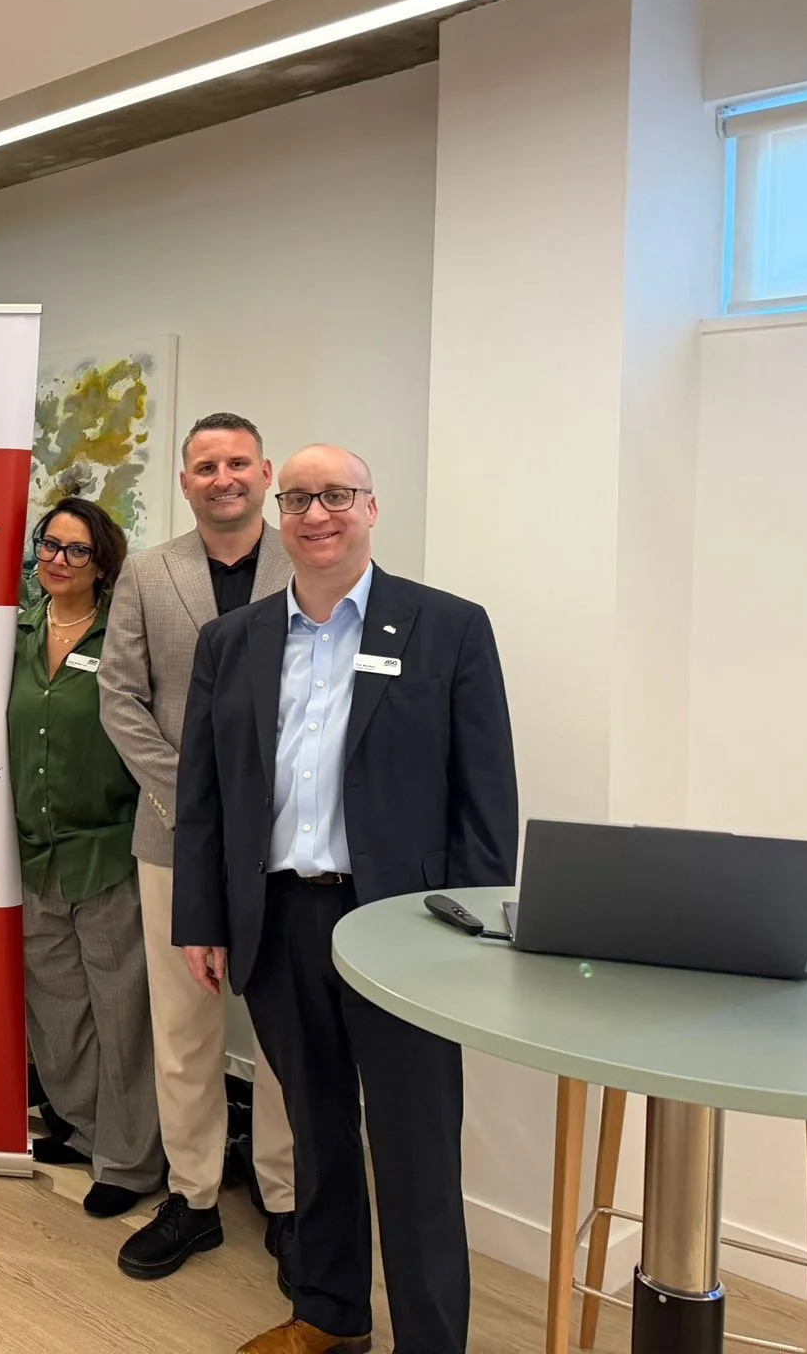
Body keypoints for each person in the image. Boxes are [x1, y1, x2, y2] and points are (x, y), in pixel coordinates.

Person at [173, 445, 517, 1354]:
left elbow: (487, 804)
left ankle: (431, 1342)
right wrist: (202, 918)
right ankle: (328, 1317)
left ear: (371, 507)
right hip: (278, 921)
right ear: (279, 514)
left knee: (415, 1151)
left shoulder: (447, 627)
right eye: (298, 499)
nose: (316, 514)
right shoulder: (233, 641)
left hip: (401, 931)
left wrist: (470, 938)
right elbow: (204, 796)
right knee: (315, 1135)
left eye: (336, 496)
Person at [97, 411, 298, 1281]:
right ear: (185, 482)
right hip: (175, 832)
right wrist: (201, 802)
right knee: (183, 1028)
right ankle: (195, 1197)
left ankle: (290, 1197)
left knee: (290, 1030)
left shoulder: (310, 560)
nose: (224, 478)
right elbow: (119, 697)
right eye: (207, 466)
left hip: (294, 839)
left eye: (239, 463)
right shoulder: (149, 574)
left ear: (266, 474)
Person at [10, 498, 165, 1222]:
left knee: (123, 1015)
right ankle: (81, 1129)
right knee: (58, 1011)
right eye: (50, 544)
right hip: (34, 854)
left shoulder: (123, 636)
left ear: (103, 564)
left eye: (77, 550)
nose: (58, 560)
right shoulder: (18, 631)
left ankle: (131, 1161)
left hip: (107, 854)